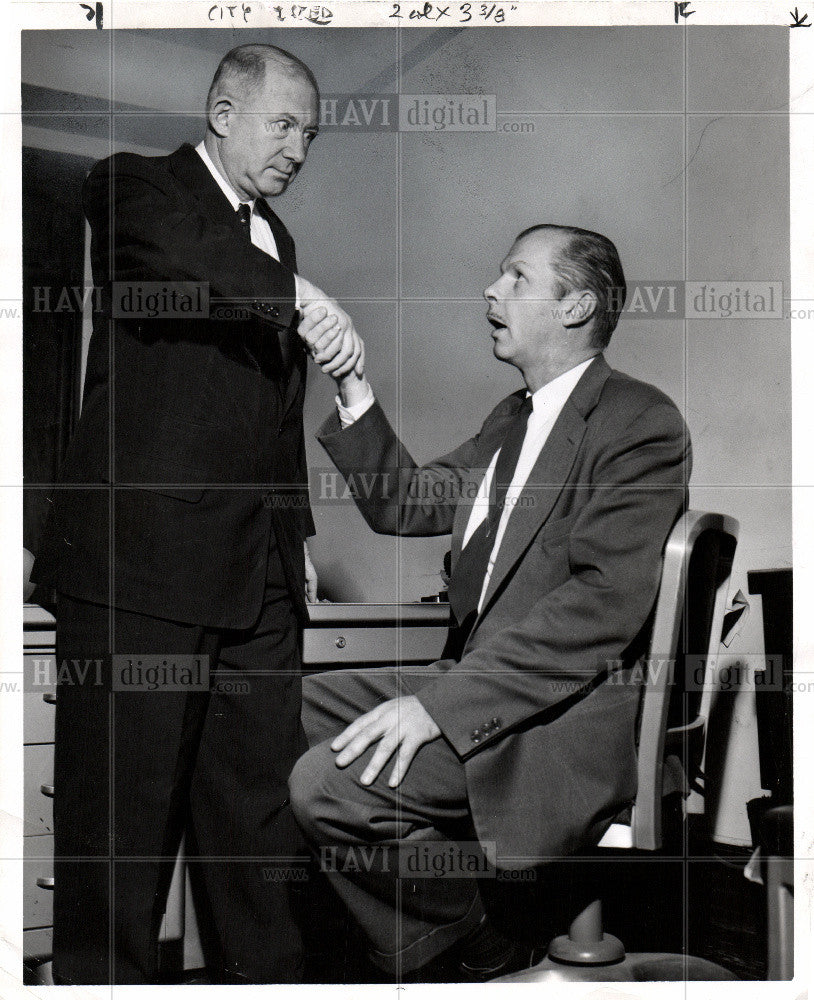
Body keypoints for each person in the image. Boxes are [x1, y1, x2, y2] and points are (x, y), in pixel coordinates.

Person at [31, 44, 362, 985]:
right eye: (283, 124)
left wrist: (293, 539)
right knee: (121, 840)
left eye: (311, 133)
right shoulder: (134, 188)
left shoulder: (275, 241)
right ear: (223, 112)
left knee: (257, 832)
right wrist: (297, 298)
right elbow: (181, 259)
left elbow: (267, 416)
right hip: (142, 573)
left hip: (255, 580)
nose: (299, 149)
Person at [290, 224, 691, 979]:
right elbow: (404, 503)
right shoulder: (511, 420)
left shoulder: (641, 422)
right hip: (480, 691)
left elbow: (598, 611)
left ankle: (471, 947)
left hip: (556, 720)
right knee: (272, 719)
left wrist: (438, 707)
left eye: (515, 277)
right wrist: (352, 384)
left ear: (575, 307)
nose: (490, 290)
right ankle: (460, 925)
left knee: (324, 786)